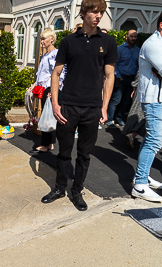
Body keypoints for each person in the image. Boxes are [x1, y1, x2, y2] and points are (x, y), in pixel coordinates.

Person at [41, 0, 118, 211]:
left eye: (101, 12)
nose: (98, 15)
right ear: (83, 13)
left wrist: (104, 107)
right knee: (64, 152)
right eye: (94, 11)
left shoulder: (108, 42)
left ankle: (77, 191)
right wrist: (56, 104)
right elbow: (56, 74)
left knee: (84, 154)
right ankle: (59, 188)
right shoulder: (68, 42)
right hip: (69, 105)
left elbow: (109, 77)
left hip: (92, 108)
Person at [132, 7, 162, 202]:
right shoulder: (152, 44)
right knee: (154, 141)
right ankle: (140, 185)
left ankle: (141, 176)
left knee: (153, 140)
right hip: (155, 100)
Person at [30, 28, 65, 153]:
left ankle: (45, 144)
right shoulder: (46, 55)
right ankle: (50, 143)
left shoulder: (55, 54)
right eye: (41, 39)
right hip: (45, 88)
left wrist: (54, 89)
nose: (42, 41)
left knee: (47, 115)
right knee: (49, 115)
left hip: (50, 88)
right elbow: (42, 74)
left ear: (52, 39)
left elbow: (58, 73)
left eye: (44, 38)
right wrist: (35, 84)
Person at [106, 30, 139, 127]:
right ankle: (109, 119)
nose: (133, 38)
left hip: (132, 79)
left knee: (126, 100)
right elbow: (115, 63)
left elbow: (138, 65)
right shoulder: (120, 49)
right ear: (126, 37)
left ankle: (119, 118)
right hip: (122, 78)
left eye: (135, 36)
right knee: (116, 99)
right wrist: (118, 76)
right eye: (131, 36)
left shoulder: (138, 50)